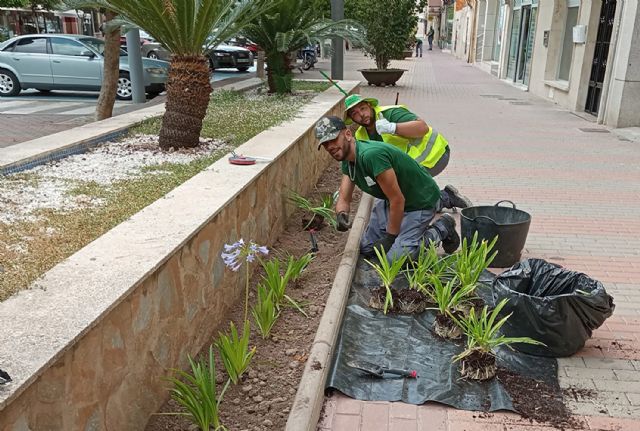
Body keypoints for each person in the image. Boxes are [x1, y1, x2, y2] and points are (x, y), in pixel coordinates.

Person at [315, 116, 460, 261]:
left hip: (419, 200)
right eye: (325, 144)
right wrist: (341, 214)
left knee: (397, 259)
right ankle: (405, 233)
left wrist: (390, 239)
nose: (330, 147)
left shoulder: (372, 156)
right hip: (393, 200)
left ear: (347, 134)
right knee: (367, 248)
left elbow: (397, 200)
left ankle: (442, 228)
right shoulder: (348, 161)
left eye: (333, 140)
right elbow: (344, 197)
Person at [343, 94, 472, 210]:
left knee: (402, 189)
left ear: (369, 106)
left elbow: (423, 128)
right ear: (352, 119)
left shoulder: (390, 114)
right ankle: (444, 197)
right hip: (414, 163)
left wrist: (392, 127)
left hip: (435, 154)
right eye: (355, 113)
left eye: (363, 109)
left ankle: (443, 199)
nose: (361, 115)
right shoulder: (360, 135)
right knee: (398, 190)